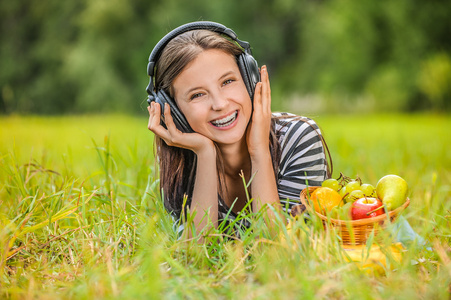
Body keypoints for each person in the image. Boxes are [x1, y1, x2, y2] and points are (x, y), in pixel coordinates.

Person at [146, 22, 332, 239]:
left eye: (228, 81)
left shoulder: (299, 138)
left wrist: (259, 151)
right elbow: (194, 258)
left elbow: (279, 251)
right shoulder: (180, 157)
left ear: (249, 78)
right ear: (172, 110)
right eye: (197, 95)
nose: (220, 104)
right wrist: (205, 154)